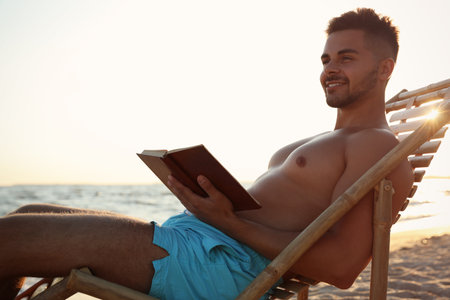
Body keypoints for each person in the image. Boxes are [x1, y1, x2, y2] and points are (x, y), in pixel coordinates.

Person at [0, 8, 414, 300]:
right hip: (197, 243)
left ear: (385, 69)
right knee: (26, 212)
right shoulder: (337, 138)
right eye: (326, 58)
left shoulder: (376, 145)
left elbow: (343, 269)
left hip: (217, 267)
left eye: (347, 58)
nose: (329, 69)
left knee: (9, 238)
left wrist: (226, 220)